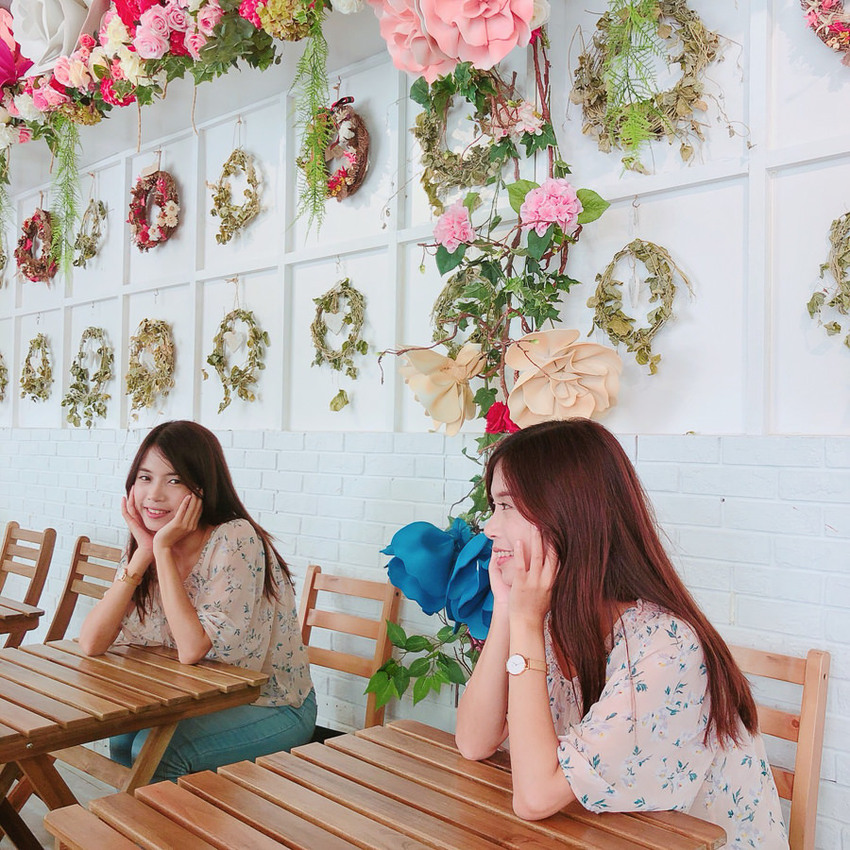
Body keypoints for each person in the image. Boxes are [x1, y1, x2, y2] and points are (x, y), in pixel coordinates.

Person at [455, 418, 788, 849]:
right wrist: (507, 608)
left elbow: (534, 798)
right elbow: (473, 742)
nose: (489, 527)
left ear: (567, 513)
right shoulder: (555, 618)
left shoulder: (666, 647)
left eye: (506, 506)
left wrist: (524, 621)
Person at [79, 420, 316, 781]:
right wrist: (144, 553)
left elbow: (192, 650)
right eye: (145, 478)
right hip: (194, 698)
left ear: (202, 488)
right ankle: (147, 833)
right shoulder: (146, 540)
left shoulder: (234, 537)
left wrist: (160, 549)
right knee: (123, 738)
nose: (154, 494)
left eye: (173, 480)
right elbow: (92, 641)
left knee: (156, 752)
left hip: (272, 703)